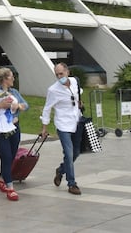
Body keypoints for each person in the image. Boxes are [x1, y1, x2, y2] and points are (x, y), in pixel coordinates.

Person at [0, 66, 28, 201]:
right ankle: (10, 187)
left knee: (11, 157)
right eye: (11, 76)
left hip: (14, 127)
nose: (13, 78)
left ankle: (1, 179)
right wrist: (0, 105)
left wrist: (18, 106)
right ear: (5, 79)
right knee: (6, 156)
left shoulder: (14, 92)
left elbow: (26, 105)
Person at [40, 63, 83, 196]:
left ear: (67, 72)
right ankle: (72, 183)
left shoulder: (76, 82)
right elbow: (47, 108)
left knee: (76, 153)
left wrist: (79, 104)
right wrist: (44, 127)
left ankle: (61, 170)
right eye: (57, 74)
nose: (59, 77)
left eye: (61, 74)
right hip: (63, 124)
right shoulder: (53, 90)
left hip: (77, 121)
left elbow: (78, 94)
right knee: (69, 153)